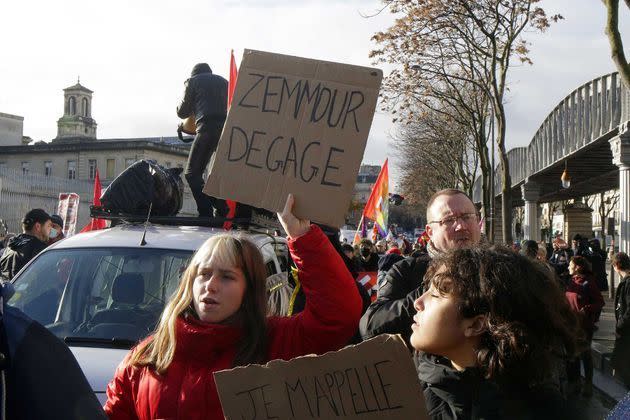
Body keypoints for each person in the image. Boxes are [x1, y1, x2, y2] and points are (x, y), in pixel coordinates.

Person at [103, 195, 363, 419]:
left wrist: (302, 237)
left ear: (249, 289)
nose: (211, 286)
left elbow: (337, 316)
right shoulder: (145, 358)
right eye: (204, 274)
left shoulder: (274, 342)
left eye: (227, 277)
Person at [411, 246, 581, 419]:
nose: (417, 302)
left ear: (477, 324)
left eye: (438, 293)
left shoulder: (542, 411)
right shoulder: (410, 387)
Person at [360, 188, 481, 345]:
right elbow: (370, 326)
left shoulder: (502, 268)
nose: (461, 226)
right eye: (449, 220)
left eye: (467, 217)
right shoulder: (407, 270)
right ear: (430, 232)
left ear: (478, 221)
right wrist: (433, 291)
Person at [176, 63, 229, 218]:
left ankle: (208, 211)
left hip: (207, 128)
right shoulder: (225, 82)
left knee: (192, 174)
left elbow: (182, 111)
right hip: (226, 132)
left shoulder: (193, 82)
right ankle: (220, 206)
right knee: (214, 175)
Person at [565, 255, 605, 397]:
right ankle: (574, 382)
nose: (568, 267)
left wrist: (585, 310)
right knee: (571, 354)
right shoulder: (571, 281)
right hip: (570, 325)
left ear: (577, 267)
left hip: (584, 326)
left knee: (584, 354)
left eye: (570, 265)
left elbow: (600, 302)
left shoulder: (588, 283)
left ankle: (588, 384)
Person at [0, 209, 52, 280]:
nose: (51, 230)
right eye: (49, 226)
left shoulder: (11, 245)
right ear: (38, 226)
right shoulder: (40, 249)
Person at [611, 252, 630, 388]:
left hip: (627, 332)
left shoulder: (628, 282)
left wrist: (620, 324)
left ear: (617, 265)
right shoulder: (625, 282)